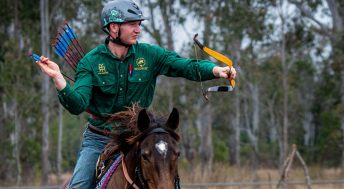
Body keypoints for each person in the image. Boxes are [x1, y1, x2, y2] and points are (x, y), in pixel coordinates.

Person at [36, 0, 236, 188]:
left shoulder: (150, 55)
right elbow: (77, 104)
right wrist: (58, 79)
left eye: (139, 24)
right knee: (78, 186)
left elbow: (183, 65)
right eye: (132, 24)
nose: (138, 29)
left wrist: (215, 70)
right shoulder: (90, 63)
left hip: (139, 137)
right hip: (99, 139)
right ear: (114, 27)